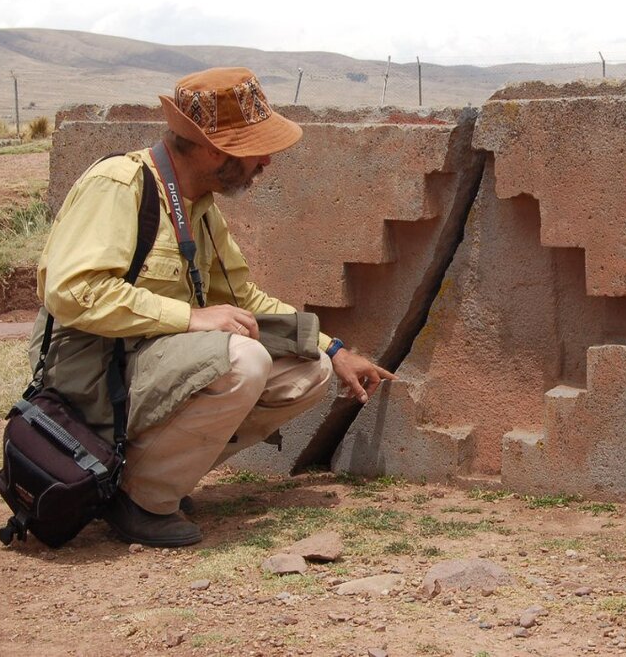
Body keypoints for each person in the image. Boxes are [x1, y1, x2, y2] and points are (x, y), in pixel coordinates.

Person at [32, 67, 395, 547]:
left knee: (307, 373)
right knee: (242, 359)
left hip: (149, 365)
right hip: (89, 374)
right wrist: (190, 317)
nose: (266, 159)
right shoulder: (119, 184)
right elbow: (73, 293)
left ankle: (140, 480)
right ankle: (143, 503)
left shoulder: (200, 207)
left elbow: (245, 300)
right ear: (210, 148)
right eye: (254, 147)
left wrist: (332, 349)